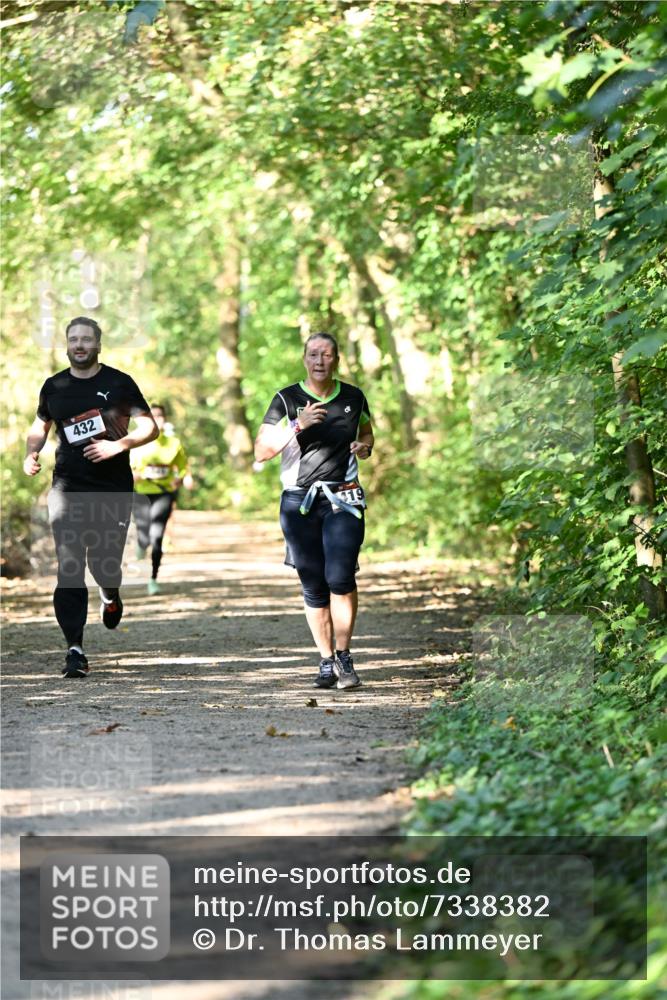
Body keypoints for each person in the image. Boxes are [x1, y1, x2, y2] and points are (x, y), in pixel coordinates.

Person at [23, 317, 158, 678]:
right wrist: (31, 452)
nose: (79, 345)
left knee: (105, 565)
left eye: (86, 339)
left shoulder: (119, 383)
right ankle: (75, 649)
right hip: (67, 488)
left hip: (112, 489)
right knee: (69, 566)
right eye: (73, 340)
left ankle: (110, 594)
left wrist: (119, 445)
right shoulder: (55, 386)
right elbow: (41, 425)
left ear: (98, 345)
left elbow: (149, 426)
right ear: (66, 345)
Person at [254, 332, 374, 690]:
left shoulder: (353, 396)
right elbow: (261, 451)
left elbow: (367, 434)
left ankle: (345, 656)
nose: (319, 360)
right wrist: (297, 425)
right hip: (299, 502)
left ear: (337, 359)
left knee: (340, 577)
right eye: (313, 354)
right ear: (304, 358)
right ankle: (325, 660)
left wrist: (364, 447)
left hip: (344, 498)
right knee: (314, 585)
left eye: (327, 354)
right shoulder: (286, 399)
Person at [131, 403, 192, 595]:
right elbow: (125, 468)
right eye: (153, 416)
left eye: (160, 416)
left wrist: (179, 479)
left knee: (157, 537)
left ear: (165, 420)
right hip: (141, 493)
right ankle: (141, 545)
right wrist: (133, 475)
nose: (157, 419)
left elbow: (182, 467)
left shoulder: (173, 443)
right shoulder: (136, 442)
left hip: (164, 492)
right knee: (144, 534)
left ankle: (153, 579)